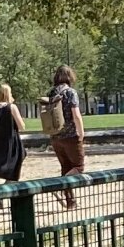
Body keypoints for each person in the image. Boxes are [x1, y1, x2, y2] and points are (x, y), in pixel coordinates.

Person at [43, 64, 84, 206]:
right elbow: (76, 115)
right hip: (71, 136)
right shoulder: (71, 92)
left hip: (55, 136)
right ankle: (58, 185)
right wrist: (81, 132)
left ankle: (70, 201)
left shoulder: (51, 93)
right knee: (78, 167)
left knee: (66, 167)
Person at [0, 82, 25, 183]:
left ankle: (5, 188)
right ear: (8, 93)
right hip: (11, 142)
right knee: (13, 171)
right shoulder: (12, 107)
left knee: (5, 170)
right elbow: (22, 127)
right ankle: (6, 189)